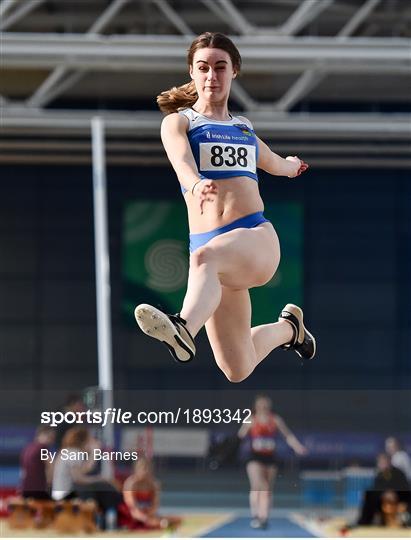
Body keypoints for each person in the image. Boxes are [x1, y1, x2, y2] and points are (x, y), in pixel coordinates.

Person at [134, 32, 315, 382]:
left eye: (220, 67)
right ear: (191, 72)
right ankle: (290, 330)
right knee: (237, 367)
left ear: (234, 72)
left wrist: (292, 165)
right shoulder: (180, 122)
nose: (211, 76)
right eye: (203, 68)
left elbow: (275, 163)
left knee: (206, 259)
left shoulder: (243, 128)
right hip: (214, 254)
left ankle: (183, 326)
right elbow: (181, 160)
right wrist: (196, 182)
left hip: (255, 238)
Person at [238, 395, 307, 529]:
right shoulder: (251, 420)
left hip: (270, 458)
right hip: (255, 457)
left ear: (269, 406)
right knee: (258, 485)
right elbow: (240, 436)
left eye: (266, 405)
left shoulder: (275, 419)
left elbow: (287, 435)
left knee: (267, 489)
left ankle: (264, 517)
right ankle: (255, 515)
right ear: (256, 406)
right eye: (261, 405)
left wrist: (297, 446)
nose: (263, 407)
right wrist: (230, 449)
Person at [51, 427, 122, 519]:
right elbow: (79, 479)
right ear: (83, 440)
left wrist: (94, 453)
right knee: (101, 490)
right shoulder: (74, 453)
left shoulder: (68, 451)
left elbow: (84, 470)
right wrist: (101, 479)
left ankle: (106, 519)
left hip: (61, 493)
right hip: (66, 495)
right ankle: (108, 520)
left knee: (100, 487)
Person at [352, 453, 410, 528]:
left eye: (384, 462)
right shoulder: (379, 475)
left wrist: (393, 492)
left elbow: (405, 487)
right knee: (369, 496)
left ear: (389, 462)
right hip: (383, 499)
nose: (382, 464)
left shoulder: (398, 473)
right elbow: (376, 487)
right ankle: (364, 522)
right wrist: (383, 493)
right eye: (380, 463)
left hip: (399, 497)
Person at [20, 426, 55, 499]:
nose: (52, 441)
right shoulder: (43, 447)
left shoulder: (27, 448)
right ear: (41, 435)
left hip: (26, 488)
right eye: (50, 437)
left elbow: (23, 471)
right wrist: (51, 484)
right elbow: (50, 466)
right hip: (39, 489)